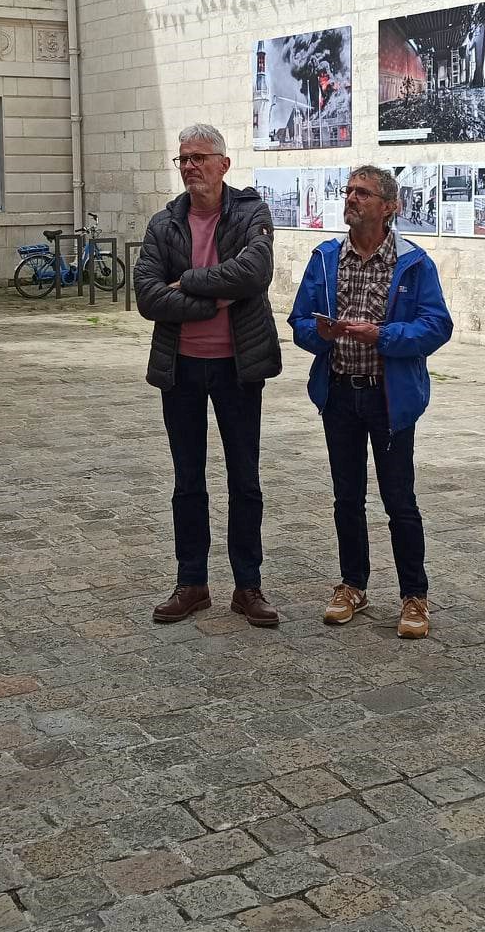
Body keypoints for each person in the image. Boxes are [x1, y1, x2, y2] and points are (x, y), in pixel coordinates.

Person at [289, 165, 453, 639]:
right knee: (347, 497)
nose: (352, 199)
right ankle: (352, 585)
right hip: (339, 391)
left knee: (399, 499)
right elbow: (298, 320)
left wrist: (383, 335)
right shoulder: (324, 258)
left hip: (389, 398)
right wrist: (318, 334)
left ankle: (414, 595)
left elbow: (436, 326)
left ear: (389, 206)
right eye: (349, 191)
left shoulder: (413, 263)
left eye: (363, 193)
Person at [134, 124, 282, 627]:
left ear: (224, 164)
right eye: (183, 159)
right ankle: (192, 582)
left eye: (200, 157)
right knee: (187, 479)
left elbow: (255, 274)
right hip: (180, 368)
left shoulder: (250, 213)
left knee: (245, 479)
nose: (191, 167)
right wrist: (213, 297)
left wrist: (189, 283)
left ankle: (248, 586)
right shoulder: (163, 224)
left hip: (238, 367)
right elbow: (148, 297)